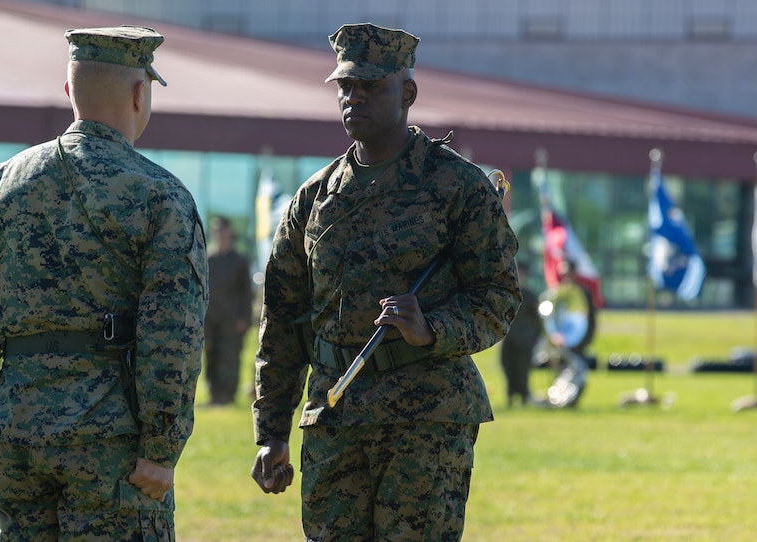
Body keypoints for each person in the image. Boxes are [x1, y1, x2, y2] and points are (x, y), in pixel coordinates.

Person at [0, 26, 208, 540]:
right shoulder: (160, 195)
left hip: (14, 434)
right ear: (140, 93)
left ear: (68, 92)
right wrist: (160, 448)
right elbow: (174, 331)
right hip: (113, 446)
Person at [250, 23, 521, 541]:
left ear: (408, 94)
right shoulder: (314, 198)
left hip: (427, 417)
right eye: (345, 88)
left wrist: (434, 328)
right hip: (334, 415)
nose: (354, 98)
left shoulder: (457, 186)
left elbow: (499, 296)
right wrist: (272, 433)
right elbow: (283, 321)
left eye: (372, 86)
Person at [204, 215, 253, 406]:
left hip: (232, 320)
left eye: (222, 230)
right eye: (216, 230)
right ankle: (214, 396)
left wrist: (244, 318)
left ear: (230, 233)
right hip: (211, 319)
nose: (220, 234)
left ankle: (227, 396)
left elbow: (246, 293)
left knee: (229, 358)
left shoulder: (239, 261)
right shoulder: (209, 259)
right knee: (212, 357)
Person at [535, 259, 596, 408]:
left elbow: (589, 320)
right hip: (559, 341)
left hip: (578, 341)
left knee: (578, 371)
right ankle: (559, 400)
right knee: (560, 372)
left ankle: (573, 401)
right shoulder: (556, 293)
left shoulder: (583, 293)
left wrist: (584, 340)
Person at [499, 261, 542, 407]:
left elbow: (537, 320)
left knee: (522, 370)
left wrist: (535, 337)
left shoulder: (530, 296)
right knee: (508, 368)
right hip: (508, 338)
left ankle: (524, 398)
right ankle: (510, 397)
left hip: (524, 340)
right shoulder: (505, 293)